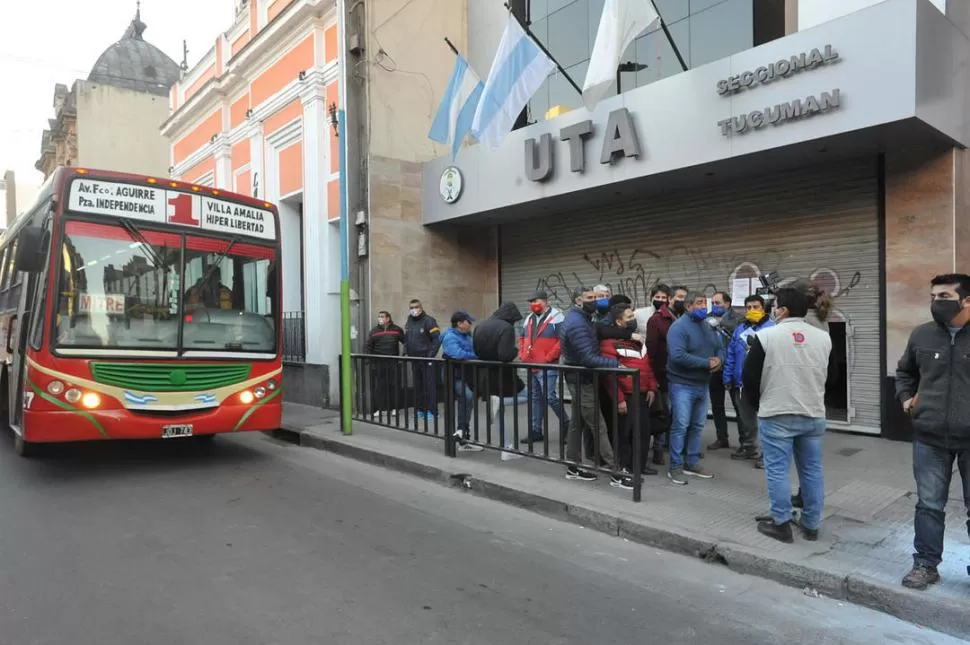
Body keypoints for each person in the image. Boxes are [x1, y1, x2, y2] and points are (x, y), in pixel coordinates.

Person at [896, 273, 970, 590]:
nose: (935, 302)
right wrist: (905, 398)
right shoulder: (922, 335)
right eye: (933, 296)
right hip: (929, 436)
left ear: (966, 300)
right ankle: (926, 565)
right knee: (928, 505)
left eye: (943, 297)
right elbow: (904, 371)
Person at [743, 284, 832, 544]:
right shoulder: (823, 337)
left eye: (773, 306)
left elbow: (749, 377)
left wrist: (759, 404)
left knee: (778, 470)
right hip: (813, 413)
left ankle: (781, 522)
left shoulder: (767, 337)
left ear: (782, 310)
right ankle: (811, 524)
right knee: (812, 470)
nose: (771, 311)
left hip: (776, 413)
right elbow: (833, 377)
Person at [560, 286, 633, 490]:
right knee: (598, 425)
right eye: (590, 298)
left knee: (577, 424)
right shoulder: (578, 324)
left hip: (579, 378)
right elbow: (588, 358)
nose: (595, 301)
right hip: (582, 379)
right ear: (578, 301)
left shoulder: (583, 318)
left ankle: (572, 466)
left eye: (595, 297)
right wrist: (616, 365)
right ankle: (615, 472)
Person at [665, 291, 723, 485]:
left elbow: (719, 347)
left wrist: (719, 360)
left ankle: (691, 462)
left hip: (701, 384)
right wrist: (706, 363)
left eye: (704, 304)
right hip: (682, 384)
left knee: (698, 426)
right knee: (680, 426)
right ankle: (675, 466)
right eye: (699, 304)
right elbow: (677, 356)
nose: (703, 307)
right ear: (688, 306)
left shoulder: (707, 326)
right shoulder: (678, 328)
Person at [600, 303, 659, 476]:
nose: (633, 320)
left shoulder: (637, 339)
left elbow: (647, 365)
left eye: (633, 316)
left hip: (642, 394)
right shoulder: (609, 343)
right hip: (626, 396)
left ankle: (639, 467)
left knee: (643, 433)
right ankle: (625, 468)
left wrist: (652, 387)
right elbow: (610, 375)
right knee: (625, 434)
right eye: (629, 317)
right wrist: (619, 399)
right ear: (619, 322)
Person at [473, 302, 527, 460]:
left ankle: (506, 448)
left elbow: (476, 350)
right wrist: (516, 350)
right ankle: (502, 402)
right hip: (503, 375)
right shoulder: (506, 328)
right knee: (531, 396)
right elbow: (505, 355)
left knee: (498, 414)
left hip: (486, 373)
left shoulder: (481, 325)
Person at [722, 295, 774, 461]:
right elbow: (731, 354)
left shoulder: (772, 328)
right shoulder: (740, 329)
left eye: (756, 307)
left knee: (768, 421)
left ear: (763, 308)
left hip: (765, 383)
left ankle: (768, 455)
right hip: (742, 383)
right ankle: (748, 447)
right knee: (746, 419)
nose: (752, 310)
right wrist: (727, 376)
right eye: (749, 307)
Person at [518, 290, 568, 444]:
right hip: (531, 364)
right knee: (535, 398)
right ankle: (536, 430)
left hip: (547, 365)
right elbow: (522, 337)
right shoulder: (529, 318)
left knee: (550, 396)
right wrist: (522, 354)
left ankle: (567, 423)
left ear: (547, 302)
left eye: (537, 301)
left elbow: (562, 340)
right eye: (532, 302)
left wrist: (549, 357)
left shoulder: (557, 317)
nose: (534, 304)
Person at [707, 291, 744, 451]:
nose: (715, 306)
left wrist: (719, 322)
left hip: (732, 367)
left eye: (718, 303)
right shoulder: (707, 318)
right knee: (717, 405)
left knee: (739, 407)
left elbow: (737, 332)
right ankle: (722, 438)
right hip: (715, 367)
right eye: (713, 303)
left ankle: (745, 442)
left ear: (727, 304)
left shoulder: (738, 318)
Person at [441, 311, 483, 452]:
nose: (470, 324)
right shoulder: (450, 336)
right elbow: (457, 354)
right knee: (467, 397)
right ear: (459, 324)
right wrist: (477, 356)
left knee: (467, 400)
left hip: (466, 375)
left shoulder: (467, 335)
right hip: (455, 375)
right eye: (468, 321)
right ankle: (461, 433)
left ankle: (462, 434)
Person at [646, 284, 676, 465]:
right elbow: (652, 349)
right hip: (660, 373)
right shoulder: (654, 319)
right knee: (662, 411)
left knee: (671, 411)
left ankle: (668, 446)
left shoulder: (676, 317)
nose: (662, 301)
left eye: (664, 297)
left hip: (674, 372)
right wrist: (652, 376)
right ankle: (658, 448)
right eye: (658, 297)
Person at [404, 299, 441, 422]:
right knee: (418, 385)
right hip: (415, 359)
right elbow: (407, 338)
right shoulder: (409, 320)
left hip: (426, 358)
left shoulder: (429, 321)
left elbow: (436, 340)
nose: (413, 309)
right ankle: (420, 409)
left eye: (416, 307)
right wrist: (405, 351)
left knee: (429, 385)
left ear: (421, 308)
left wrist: (430, 356)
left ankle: (432, 411)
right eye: (411, 307)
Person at [365, 310, 405, 418]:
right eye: (379, 316)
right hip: (379, 363)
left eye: (382, 316)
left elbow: (405, 342)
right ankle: (381, 409)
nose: (380, 318)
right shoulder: (374, 331)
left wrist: (403, 356)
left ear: (388, 318)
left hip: (393, 362)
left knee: (394, 386)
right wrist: (370, 361)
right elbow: (368, 346)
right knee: (381, 387)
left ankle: (395, 409)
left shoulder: (397, 329)